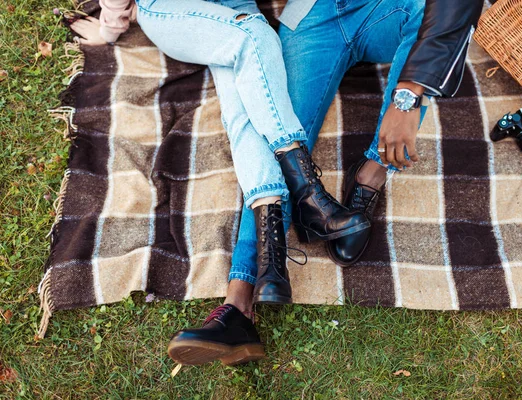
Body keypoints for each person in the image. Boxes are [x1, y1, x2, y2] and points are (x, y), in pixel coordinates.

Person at [70, 0, 370, 366]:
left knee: (245, 115)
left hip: (234, 8)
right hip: (170, 8)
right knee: (254, 39)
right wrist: (110, 27)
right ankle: (309, 197)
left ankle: (254, 292)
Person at [231, 0, 485, 278]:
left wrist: (407, 97)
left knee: (437, 17)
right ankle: (245, 279)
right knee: (280, 136)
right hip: (311, 13)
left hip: (390, 8)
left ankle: (371, 172)